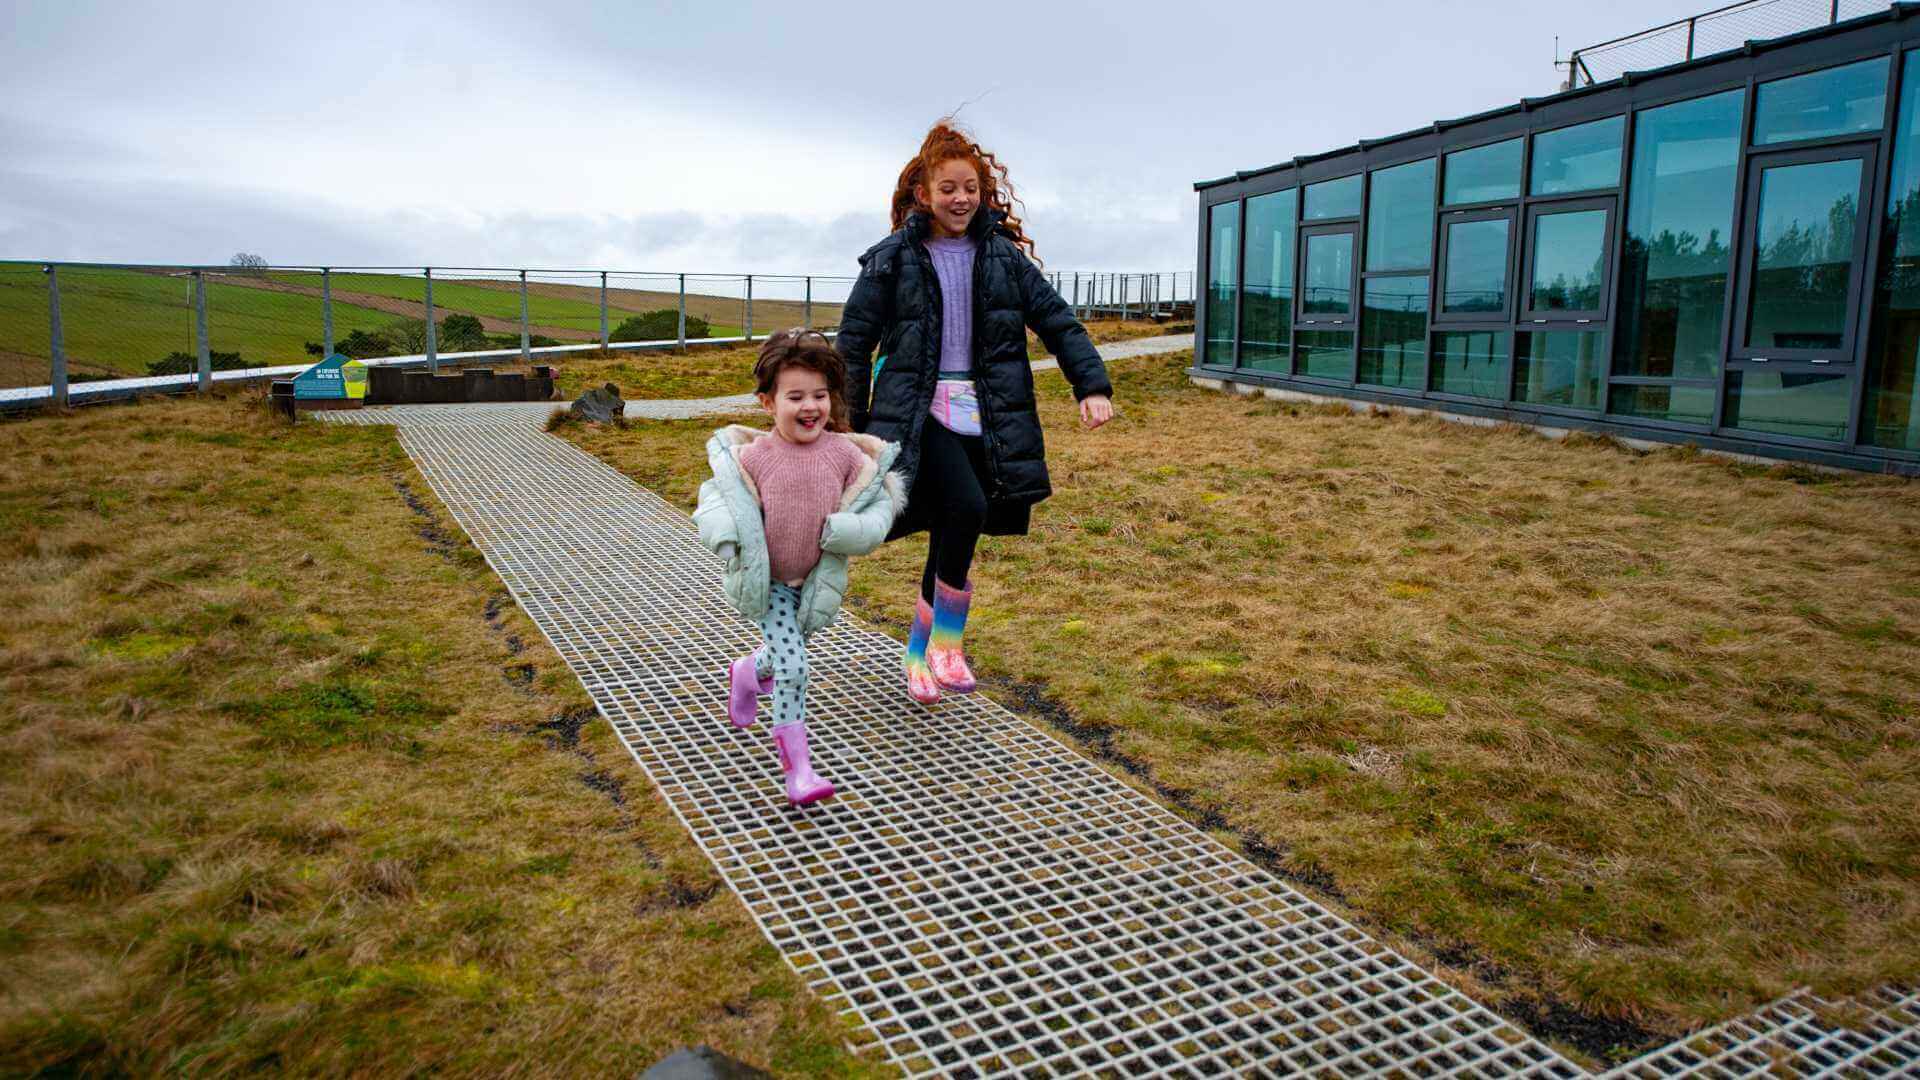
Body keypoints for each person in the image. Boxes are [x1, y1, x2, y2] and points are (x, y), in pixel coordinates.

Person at [835, 119, 1114, 705]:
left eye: (971, 188)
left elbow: (1059, 322)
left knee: (951, 528)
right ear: (923, 195)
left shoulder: (1004, 259)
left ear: (984, 193)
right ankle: (947, 641)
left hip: (983, 413)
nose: (960, 199)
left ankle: (917, 657)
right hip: (920, 411)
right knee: (966, 504)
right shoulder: (892, 259)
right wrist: (846, 428)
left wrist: (1090, 384)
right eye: (948, 189)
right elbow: (853, 345)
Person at [693, 328, 904, 806]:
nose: (810, 406)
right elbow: (715, 499)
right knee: (793, 666)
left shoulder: (847, 455)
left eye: (819, 395)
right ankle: (799, 772)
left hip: (814, 584)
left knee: (781, 657)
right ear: (768, 403)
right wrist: (725, 538)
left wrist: (854, 531)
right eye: (795, 397)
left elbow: (879, 507)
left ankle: (748, 672)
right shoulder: (753, 457)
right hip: (766, 581)